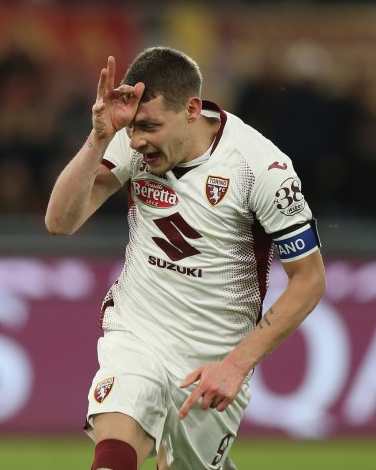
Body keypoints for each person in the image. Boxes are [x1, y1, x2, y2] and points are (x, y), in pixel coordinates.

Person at [45, 47, 326, 470]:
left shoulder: (261, 168)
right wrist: (100, 137)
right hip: (138, 331)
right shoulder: (128, 140)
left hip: (211, 361)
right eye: (134, 127)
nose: (138, 140)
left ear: (192, 109)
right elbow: (60, 222)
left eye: (151, 127)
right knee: (114, 455)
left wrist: (235, 365)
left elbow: (309, 280)